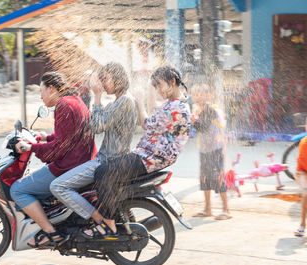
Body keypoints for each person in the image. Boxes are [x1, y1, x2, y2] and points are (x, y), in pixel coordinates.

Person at [81, 65, 191, 238]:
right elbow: (151, 119)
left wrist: (140, 101)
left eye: (159, 85)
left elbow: (147, 124)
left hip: (150, 158)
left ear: (172, 81)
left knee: (102, 172)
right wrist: (143, 99)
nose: (157, 89)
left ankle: (108, 223)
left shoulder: (175, 107)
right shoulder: (176, 103)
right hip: (150, 155)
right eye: (154, 86)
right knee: (114, 177)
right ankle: (127, 219)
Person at [10, 71, 96, 248]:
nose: (41, 96)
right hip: (82, 159)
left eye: (41, 91)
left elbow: (59, 148)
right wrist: (45, 137)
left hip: (69, 165)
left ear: (51, 88)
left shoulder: (62, 106)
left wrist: (31, 147)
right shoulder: (74, 99)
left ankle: (50, 233)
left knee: (18, 189)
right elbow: (68, 137)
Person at [50, 62, 138, 235]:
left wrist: (96, 96)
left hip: (107, 161)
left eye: (106, 79)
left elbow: (97, 126)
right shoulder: (120, 101)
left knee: (57, 187)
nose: (103, 84)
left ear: (118, 78)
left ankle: (100, 219)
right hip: (107, 158)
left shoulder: (124, 101)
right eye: (102, 79)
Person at [191, 83, 231, 220]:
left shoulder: (210, 110)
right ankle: (208, 209)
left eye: (200, 93)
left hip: (216, 149)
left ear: (208, 95)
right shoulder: (198, 110)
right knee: (204, 178)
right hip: (204, 149)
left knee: (217, 177)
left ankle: (226, 210)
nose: (196, 96)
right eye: (194, 94)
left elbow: (202, 127)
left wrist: (193, 121)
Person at [294, 117, 307, 237]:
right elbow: (301, 166)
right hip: (302, 172)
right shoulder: (304, 143)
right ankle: (302, 224)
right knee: (306, 194)